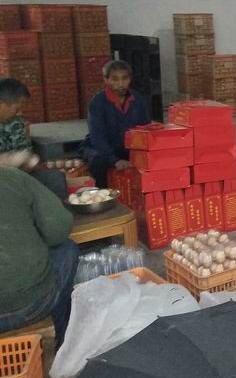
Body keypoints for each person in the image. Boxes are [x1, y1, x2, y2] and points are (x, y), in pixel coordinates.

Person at [0, 167, 79, 344]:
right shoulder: (11, 176)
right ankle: (63, 341)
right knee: (67, 249)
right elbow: (58, 229)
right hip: (32, 305)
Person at [80, 60, 151, 188]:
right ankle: (103, 193)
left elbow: (145, 130)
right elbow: (98, 138)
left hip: (126, 148)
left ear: (130, 79)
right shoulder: (97, 102)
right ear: (106, 80)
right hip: (100, 148)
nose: (120, 84)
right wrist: (114, 160)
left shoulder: (139, 100)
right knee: (98, 160)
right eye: (115, 79)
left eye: (124, 78)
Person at [0, 78, 67, 199]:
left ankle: (59, 211)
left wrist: (28, 162)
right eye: (16, 109)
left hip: (17, 176)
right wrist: (11, 160)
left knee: (55, 178)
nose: (19, 113)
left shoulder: (15, 121)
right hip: (4, 182)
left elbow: (24, 151)